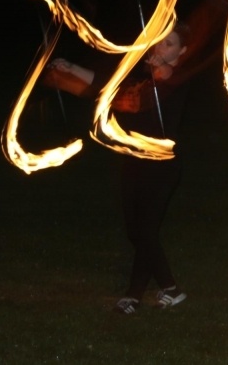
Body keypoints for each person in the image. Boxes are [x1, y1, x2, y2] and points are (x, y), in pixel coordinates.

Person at [46, 22, 192, 315]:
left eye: (169, 44)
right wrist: (71, 67)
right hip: (133, 162)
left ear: (182, 50)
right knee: (135, 231)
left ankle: (136, 295)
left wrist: (159, 69)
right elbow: (106, 82)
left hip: (161, 168)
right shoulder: (144, 76)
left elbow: (165, 80)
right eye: (159, 42)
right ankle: (169, 289)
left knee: (146, 230)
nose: (160, 48)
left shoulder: (177, 78)